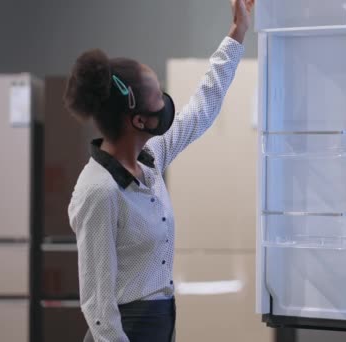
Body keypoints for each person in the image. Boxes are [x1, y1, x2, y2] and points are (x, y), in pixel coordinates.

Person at [65, 1, 255, 341]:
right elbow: (98, 307)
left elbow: (202, 107)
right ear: (137, 119)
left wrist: (237, 32)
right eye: (157, 96)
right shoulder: (99, 191)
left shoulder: (149, 160)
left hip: (160, 322)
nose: (166, 102)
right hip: (126, 329)